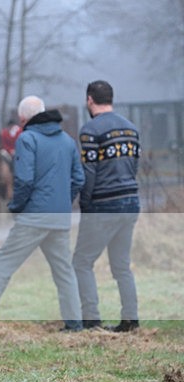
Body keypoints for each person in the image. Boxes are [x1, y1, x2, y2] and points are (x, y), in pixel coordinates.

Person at [0, 95, 85, 331]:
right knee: (65, 273)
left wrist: (16, 207)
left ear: (23, 119)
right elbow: (79, 179)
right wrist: (63, 202)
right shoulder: (67, 140)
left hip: (34, 218)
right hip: (60, 218)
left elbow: (23, 181)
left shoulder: (27, 139)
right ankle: (75, 324)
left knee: (0, 266)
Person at [72, 80, 141, 332]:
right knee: (121, 264)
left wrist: (86, 203)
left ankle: (91, 320)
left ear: (90, 100)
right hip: (131, 202)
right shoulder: (132, 128)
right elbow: (134, 167)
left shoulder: (90, 130)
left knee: (81, 261)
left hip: (103, 204)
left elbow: (89, 172)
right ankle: (130, 320)